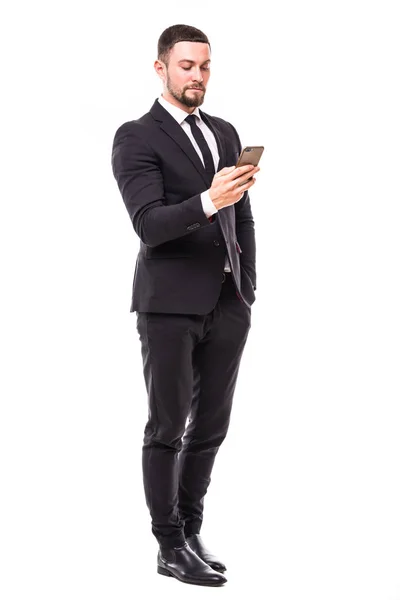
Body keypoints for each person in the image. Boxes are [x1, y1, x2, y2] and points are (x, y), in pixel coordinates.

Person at [111, 24, 260, 587]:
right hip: (169, 304)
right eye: (186, 66)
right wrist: (207, 199)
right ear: (161, 69)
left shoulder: (223, 131)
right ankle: (167, 545)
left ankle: (191, 529)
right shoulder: (136, 136)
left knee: (212, 426)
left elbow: (241, 217)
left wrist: (248, 284)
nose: (197, 76)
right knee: (168, 425)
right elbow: (149, 225)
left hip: (227, 300)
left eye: (204, 66)